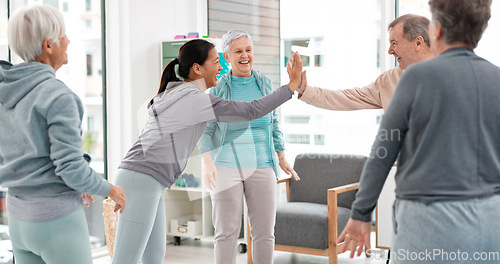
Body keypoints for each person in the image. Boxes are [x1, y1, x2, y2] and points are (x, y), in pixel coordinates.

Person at [111, 39, 303, 264]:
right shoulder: (195, 100)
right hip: (141, 179)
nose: (221, 67)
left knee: (153, 256)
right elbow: (251, 110)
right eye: (215, 62)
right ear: (197, 68)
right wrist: (291, 86)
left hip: (145, 180)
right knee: (126, 259)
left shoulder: (173, 92)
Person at [338, 0, 500, 263]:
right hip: (490, 222)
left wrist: (360, 213)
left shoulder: (416, 77)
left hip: (428, 221)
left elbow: (383, 151)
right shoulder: (497, 79)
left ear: (435, 31)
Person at [0, 5, 126, 264]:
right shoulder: (59, 96)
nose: (67, 41)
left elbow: (29, 156)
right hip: (56, 219)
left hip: (18, 217)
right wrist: (110, 189)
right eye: (64, 34)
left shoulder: (5, 93)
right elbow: (69, 166)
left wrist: (78, 183)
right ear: (49, 45)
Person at [198, 30, 300, 264]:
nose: (245, 56)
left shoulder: (264, 83)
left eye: (248, 50)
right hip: (225, 165)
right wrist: (207, 163)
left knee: (264, 233)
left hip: (262, 165)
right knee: (226, 233)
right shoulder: (218, 88)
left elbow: (273, 122)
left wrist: (281, 155)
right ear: (226, 57)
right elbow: (206, 129)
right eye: (238, 51)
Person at [293, 14, 434, 111]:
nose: (390, 51)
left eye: (394, 43)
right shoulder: (388, 81)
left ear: (418, 43)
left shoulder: (453, 74)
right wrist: (304, 89)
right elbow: (346, 98)